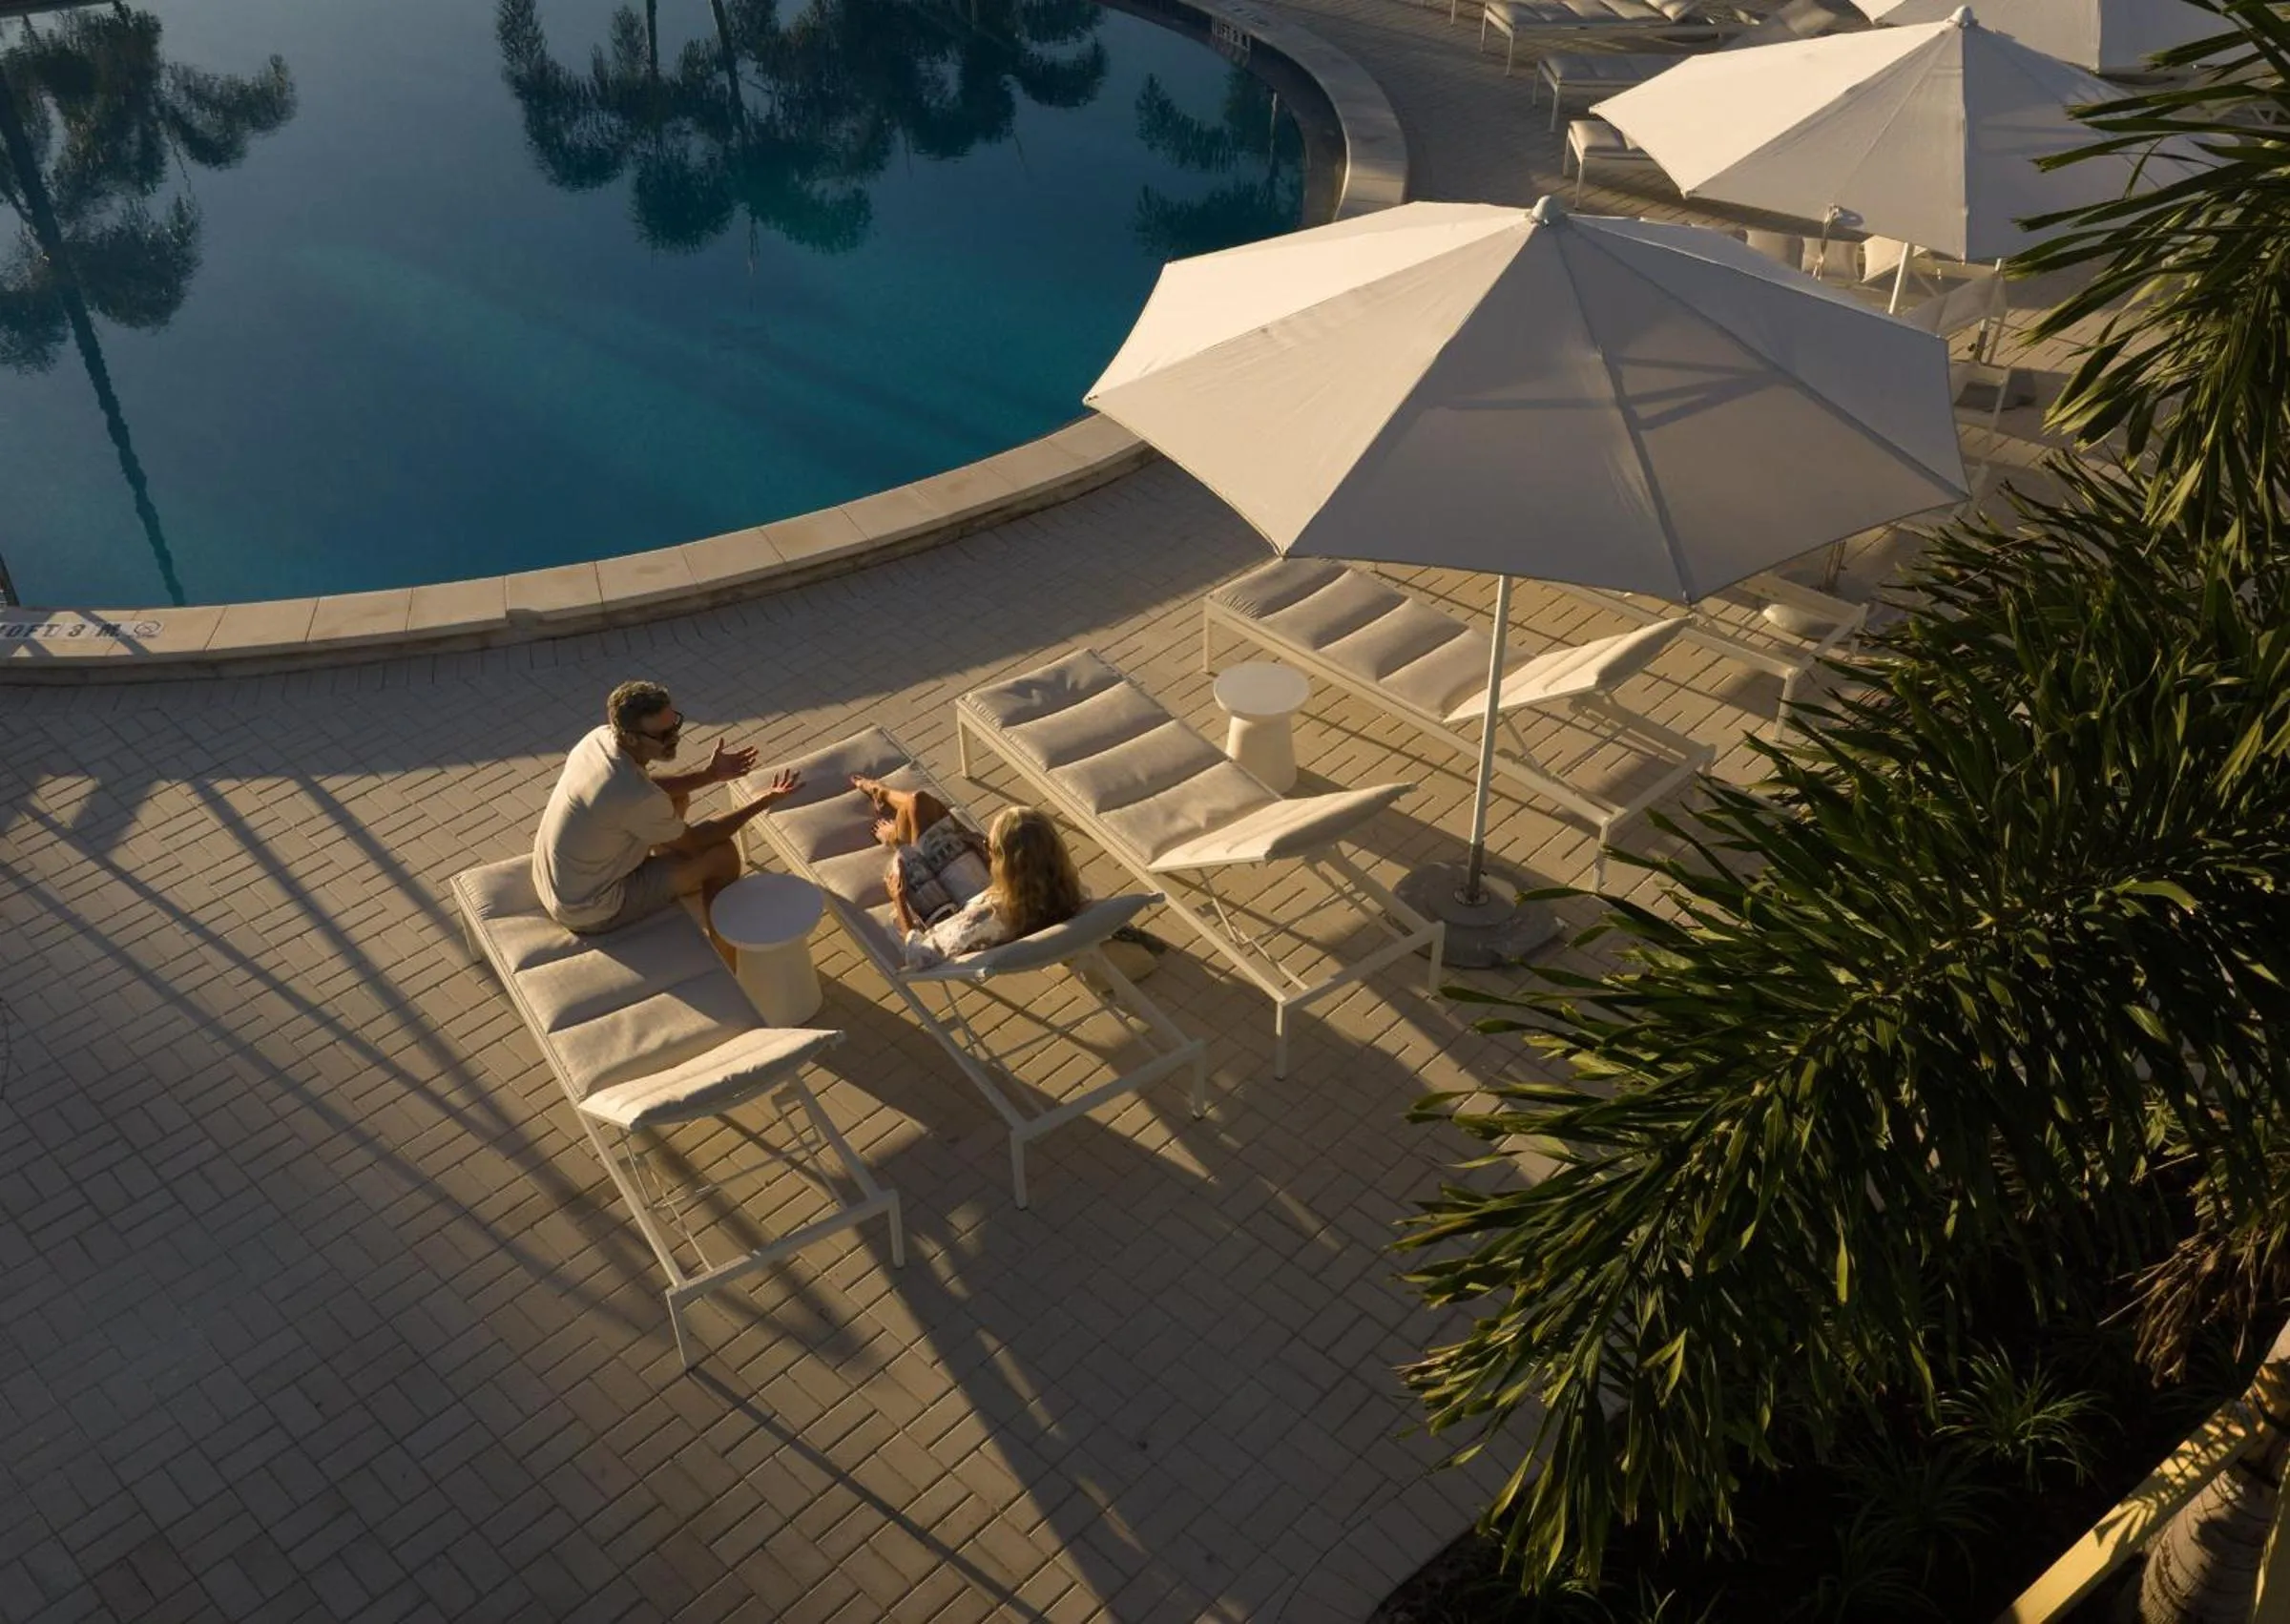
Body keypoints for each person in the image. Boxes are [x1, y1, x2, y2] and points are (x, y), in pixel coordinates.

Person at [532, 680, 801, 947]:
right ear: (630, 736)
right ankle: (728, 956)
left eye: (675, 725)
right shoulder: (631, 793)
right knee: (722, 855)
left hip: (559, 881)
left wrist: (710, 775)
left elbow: (647, 790)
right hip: (591, 908)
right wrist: (764, 801)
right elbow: (696, 839)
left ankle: (676, 872)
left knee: (677, 798)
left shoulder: (599, 740)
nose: (674, 738)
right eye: (662, 736)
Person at [850, 776, 1082, 969]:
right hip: (995, 891)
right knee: (919, 801)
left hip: (948, 910)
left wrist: (898, 897)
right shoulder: (1064, 887)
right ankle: (882, 796)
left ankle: (895, 836)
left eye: (991, 847)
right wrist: (982, 851)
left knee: (905, 854)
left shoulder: (981, 920)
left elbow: (918, 955)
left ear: (1006, 863)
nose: (986, 846)